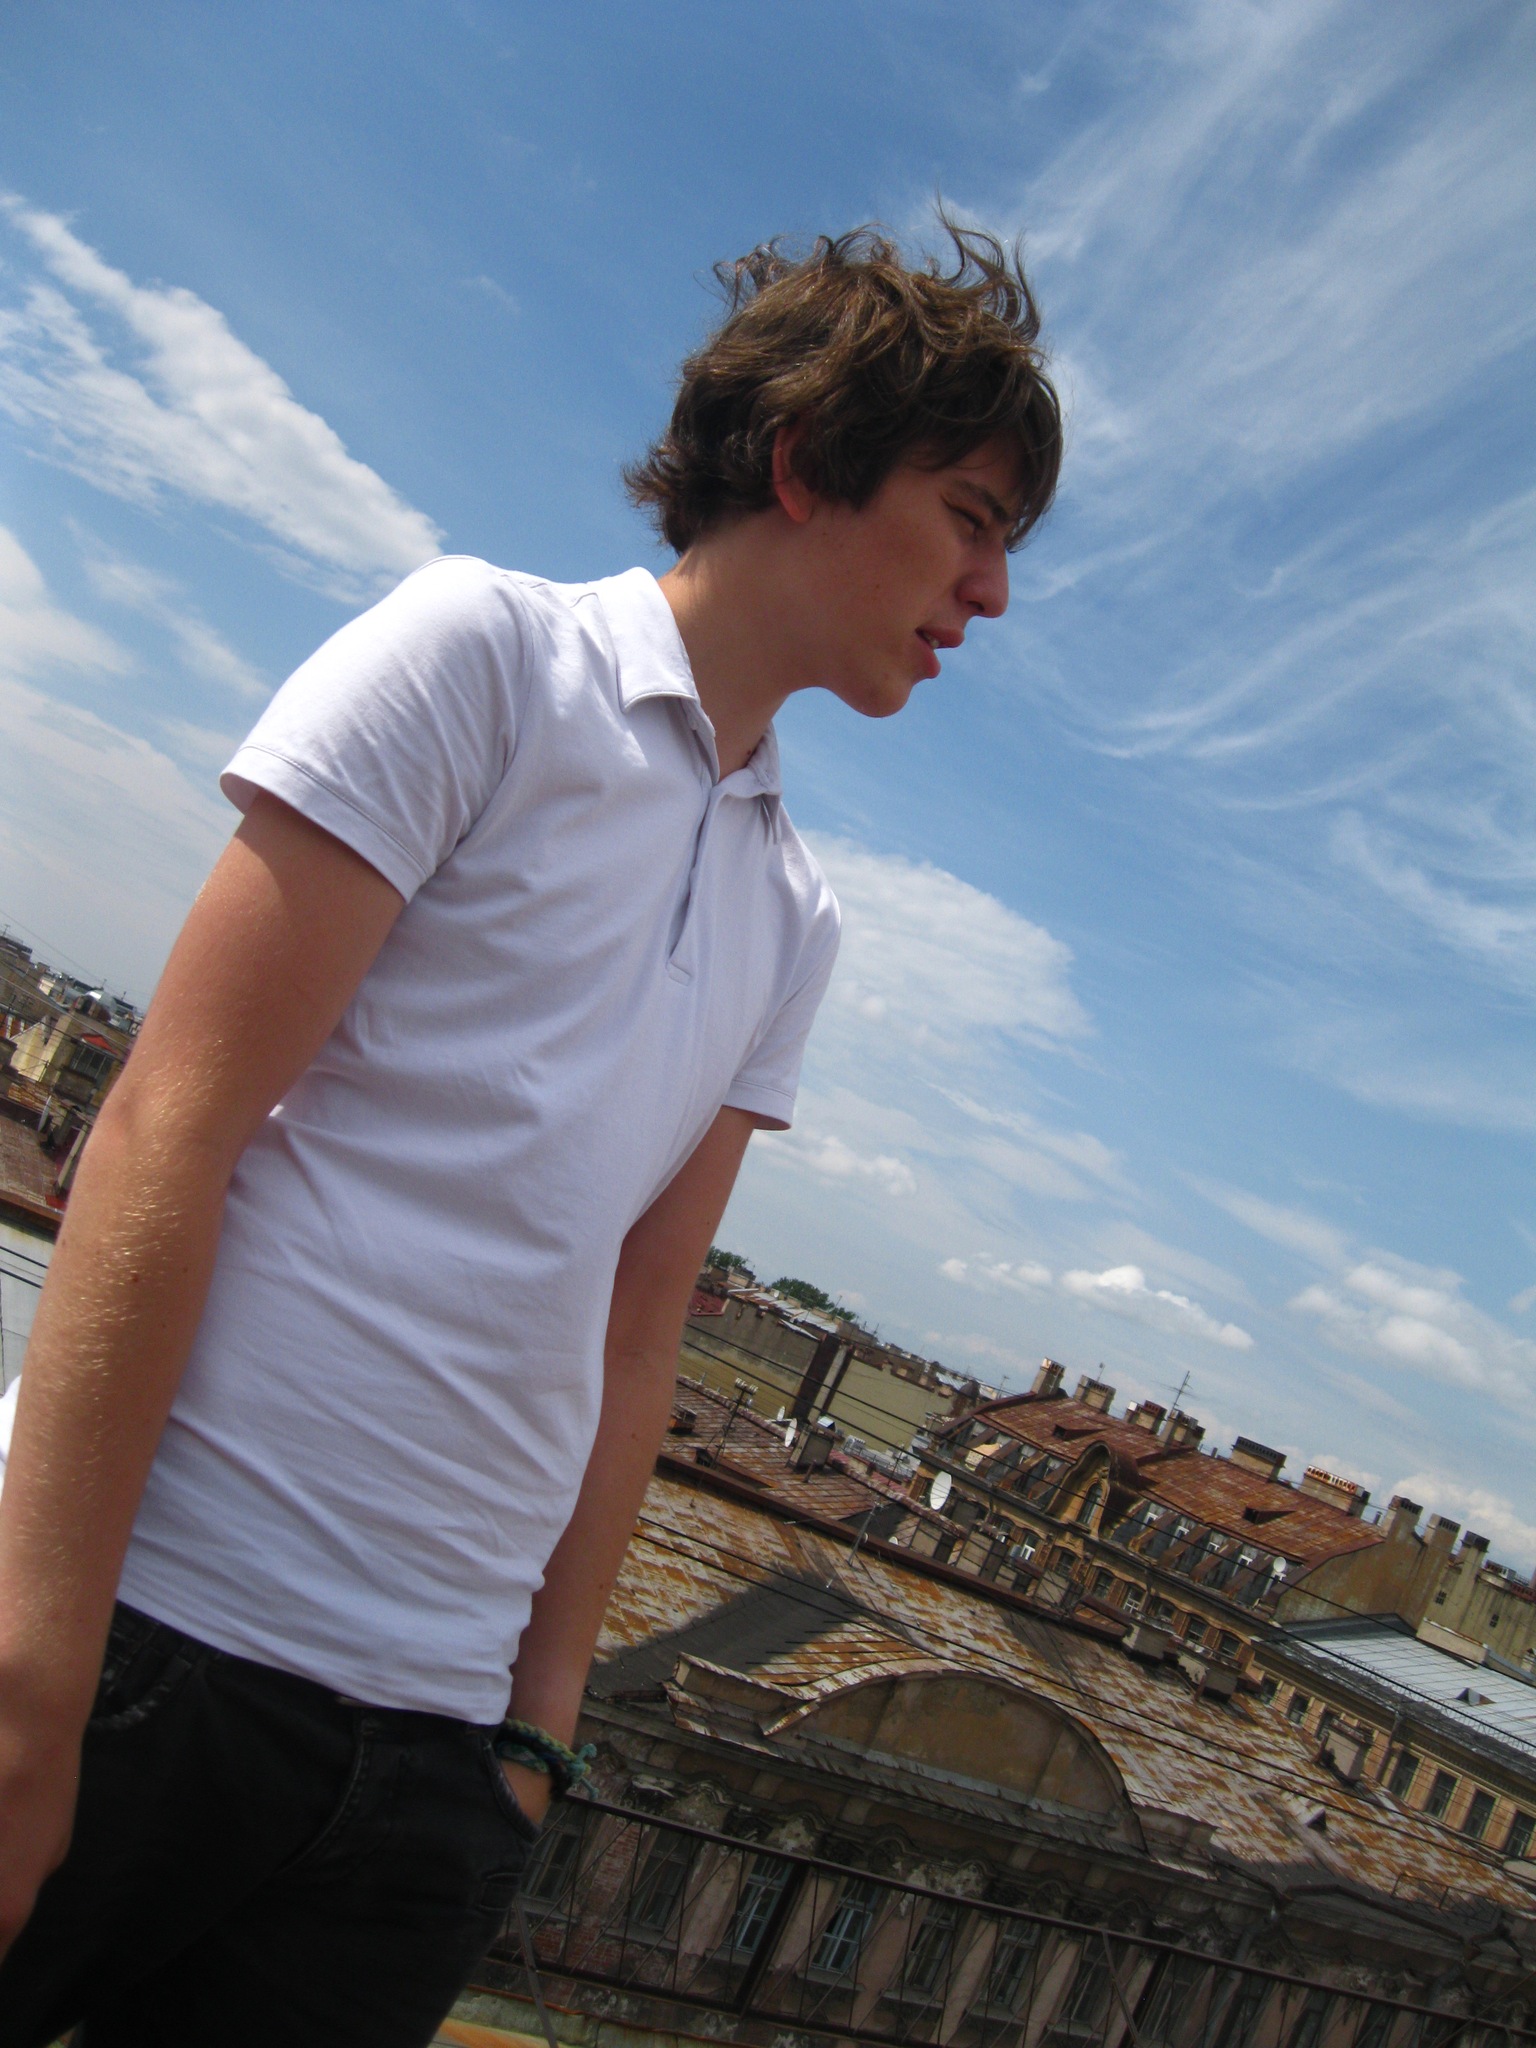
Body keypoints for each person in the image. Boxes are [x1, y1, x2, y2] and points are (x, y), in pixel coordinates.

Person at [0, 219, 1061, 2046]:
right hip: (156, 1632)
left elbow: (641, 1331)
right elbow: (168, 1123)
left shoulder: (796, 915)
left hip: (429, 1756)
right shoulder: (484, 655)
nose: (994, 588)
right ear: (807, 461)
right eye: (970, 514)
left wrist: (535, 1730)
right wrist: (36, 1668)